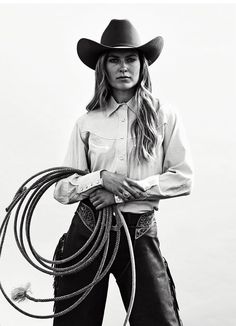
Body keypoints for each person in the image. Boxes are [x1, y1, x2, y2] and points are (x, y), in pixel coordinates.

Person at [53, 19, 193, 326]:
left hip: (138, 231)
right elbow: (62, 190)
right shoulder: (87, 122)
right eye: (114, 60)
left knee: (159, 319)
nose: (123, 67)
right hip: (90, 231)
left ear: (142, 65)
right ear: (103, 67)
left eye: (131, 59)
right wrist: (100, 178)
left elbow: (182, 179)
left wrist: (120, 191)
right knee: (75, 321)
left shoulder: (165, 116)